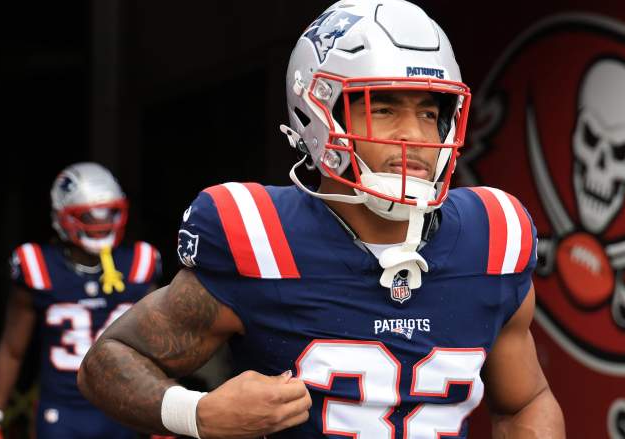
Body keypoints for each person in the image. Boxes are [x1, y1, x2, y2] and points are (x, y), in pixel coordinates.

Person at [78, 0, 566, 437]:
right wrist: (198, 413)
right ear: (318, 113)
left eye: (428, 111)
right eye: (385, 108)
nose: (415, 136)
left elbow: (526, 401)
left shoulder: (492, 237)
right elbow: (108, 362)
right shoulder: (262, 238)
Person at [0, 162, 163, 439]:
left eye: (109, 212)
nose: (101, 223)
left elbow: (159, 346)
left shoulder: (139, 264)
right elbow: (13, 348)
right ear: (62, 216)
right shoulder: (38, 266)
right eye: (89, 215)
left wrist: (164, 412)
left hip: (122, 409)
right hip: (61, 413)